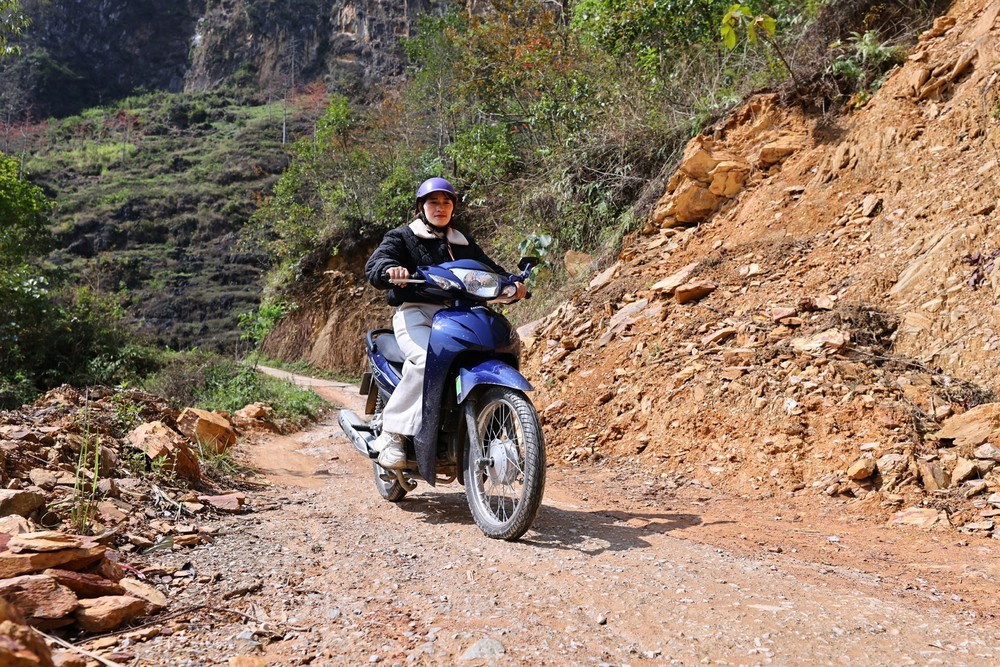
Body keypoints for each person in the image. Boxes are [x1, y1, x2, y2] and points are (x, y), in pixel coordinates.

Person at [364, 177, 528, 469]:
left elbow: (492, 271)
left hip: (462, 314)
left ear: (453, 207)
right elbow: (378, 263)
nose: (440, 208)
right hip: (418, 313)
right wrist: (391, 269)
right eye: (433, 202)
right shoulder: (402, 237)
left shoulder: (462, 243)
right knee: (427, 361)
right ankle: (392, 435)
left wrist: (513, 284)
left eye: (446, 202)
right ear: (421, 207)